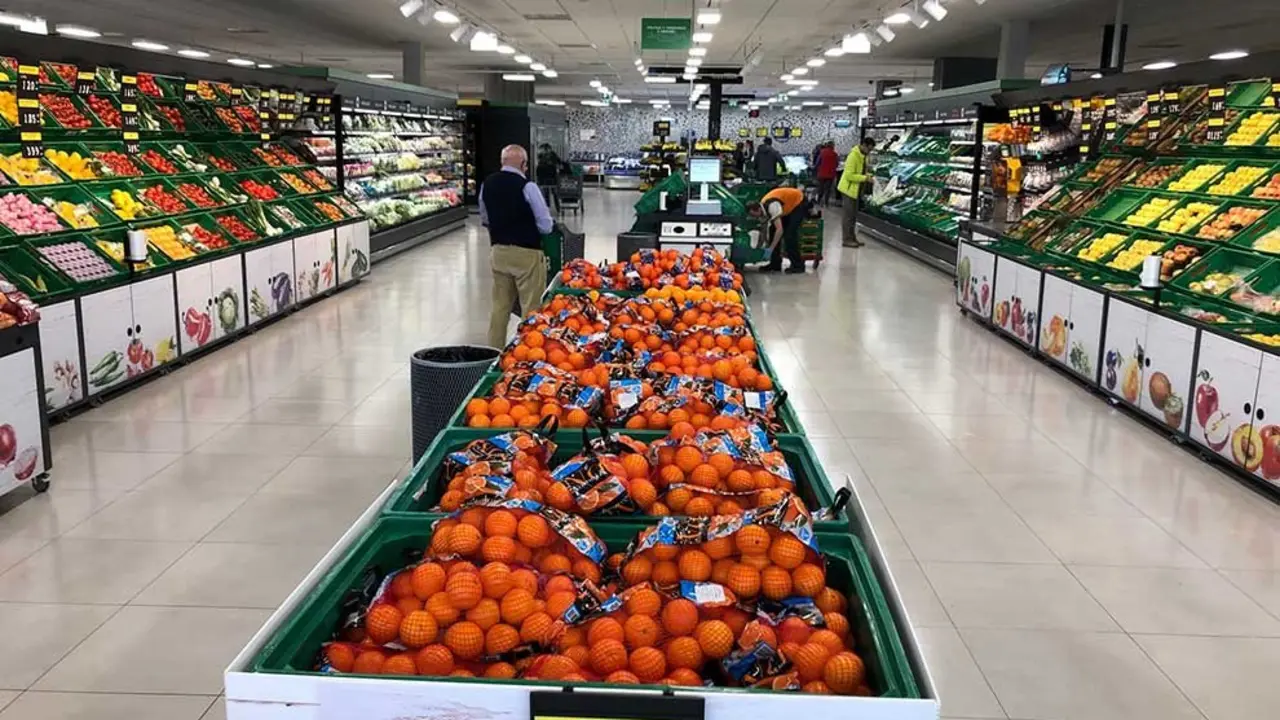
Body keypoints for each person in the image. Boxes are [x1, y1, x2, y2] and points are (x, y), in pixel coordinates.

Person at [480, 144, 555, 348]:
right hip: (527, 254)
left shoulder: (487, 184)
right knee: (531, 307)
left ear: (502, 162)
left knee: (500, 307)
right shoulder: (527, 186)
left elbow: (485, 217)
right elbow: (545, 224)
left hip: (499, 252)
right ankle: (526, 352)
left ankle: (493, 352)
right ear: (524, 164)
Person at [747, 185, 810, 274]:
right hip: (786, 205)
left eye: (754, 215)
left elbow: (780, 230)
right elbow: (764, 230)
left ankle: (798, 265)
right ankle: (775, 264)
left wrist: (771, 248)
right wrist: (759, 248)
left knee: (789, 235)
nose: (755, 218)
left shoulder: (772, 206)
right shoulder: (762, 209)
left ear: (758, 210)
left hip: (798, 202)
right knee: (772, 231)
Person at [837, 136, 875, 248]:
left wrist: (868, 176)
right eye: (869, 149)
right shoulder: (853, 156)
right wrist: (865, 178)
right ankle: (846, 239)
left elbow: (862, 171)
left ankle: (852, 238)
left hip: (856, 190)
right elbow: (849, 175)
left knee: (853, 216)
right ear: (863, 145)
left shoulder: (863, 156)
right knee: (848, 216)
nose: (869, 152)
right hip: (849, 190)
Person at [535, 143, 561, 213]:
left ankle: (547, 208)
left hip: (543, 178)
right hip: (552, 178)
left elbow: (538, 170)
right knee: (554, 193)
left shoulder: (541, 156)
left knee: (546, 193)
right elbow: (559, 163)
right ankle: (557, 208)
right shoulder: (552, 155)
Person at [815, 141, 839, 207]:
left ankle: (819, 201)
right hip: (830, 175)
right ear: (832, 146)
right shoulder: (835, 154)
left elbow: (817, 163)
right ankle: (826, 203)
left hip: (821, 174)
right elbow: (837, 164)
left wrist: (817, 168)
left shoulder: (822, 152)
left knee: (821, 188)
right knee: (827, 189)